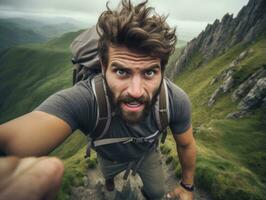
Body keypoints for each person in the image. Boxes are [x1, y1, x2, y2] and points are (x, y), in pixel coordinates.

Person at [0, 0, 196, 199]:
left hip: (146, 155)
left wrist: (187, 187)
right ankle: (110, 181)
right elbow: (14, 139)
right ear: (103, 67)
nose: (136, 91)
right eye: (121, 71)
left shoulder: (175, 101)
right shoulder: (87, 99)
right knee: (109, 182)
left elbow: (186, 144)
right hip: (109, 158)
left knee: (157, 192)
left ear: (162, 71)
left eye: (149, 73)